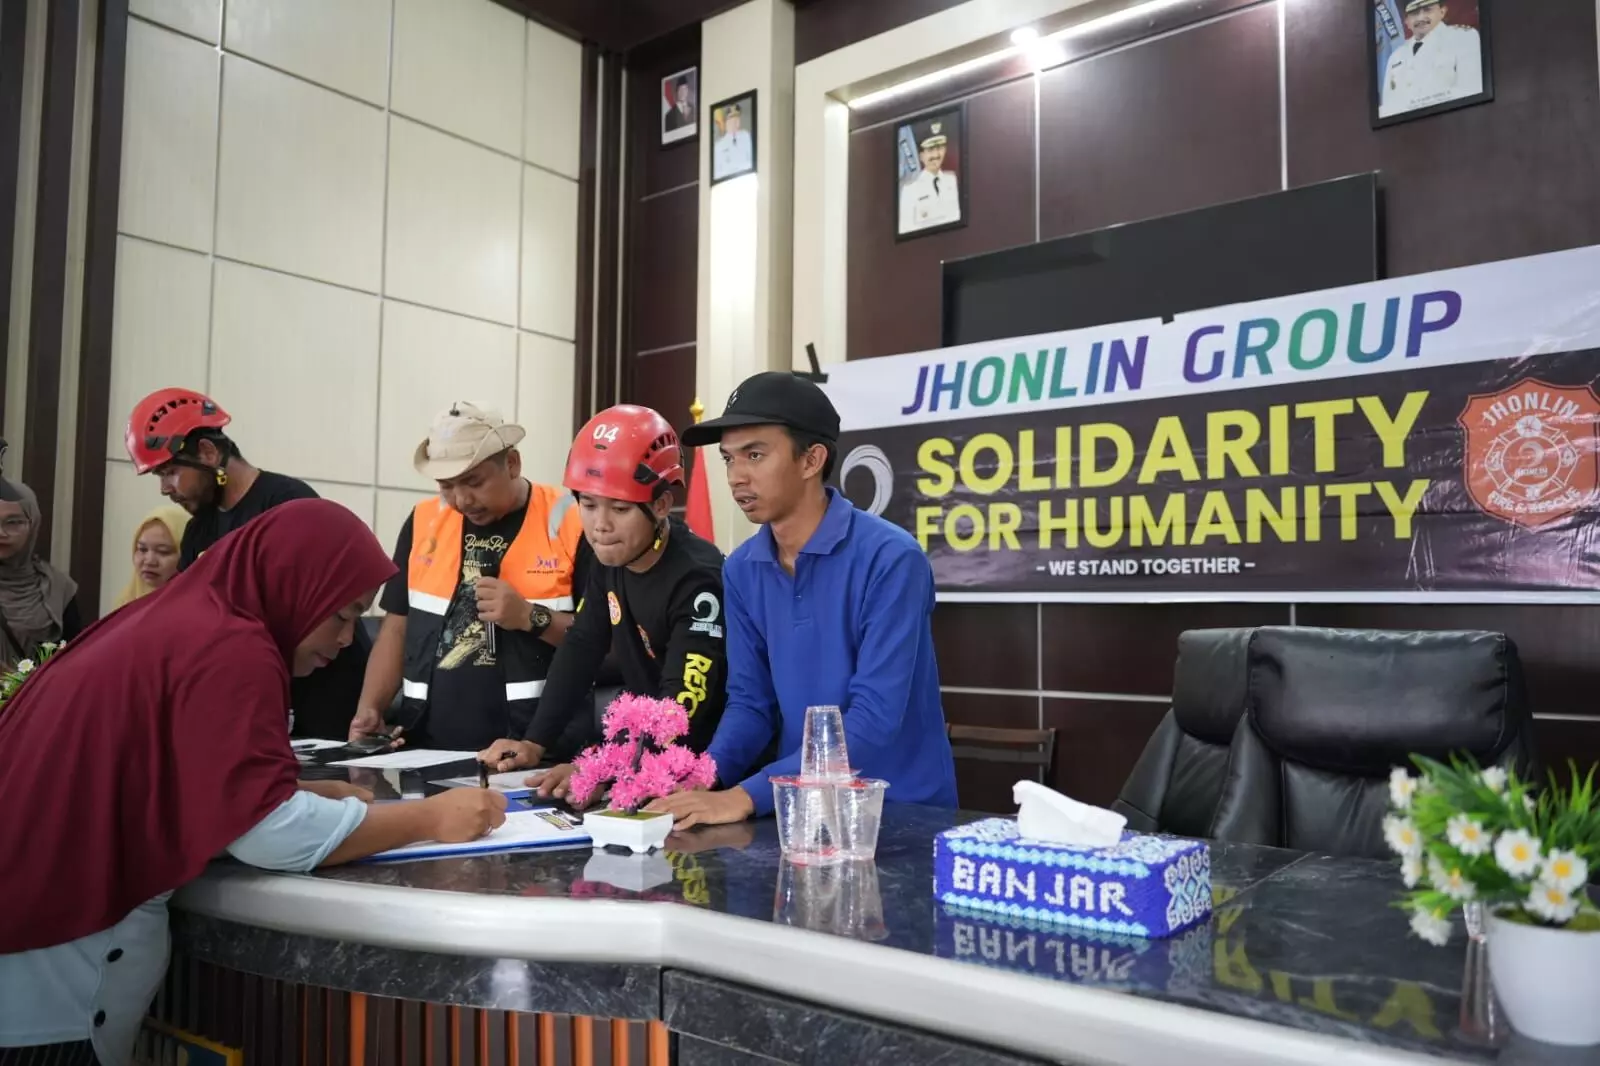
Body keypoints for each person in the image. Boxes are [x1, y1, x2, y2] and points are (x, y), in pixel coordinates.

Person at [0, 500, 507, 1066]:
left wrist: (292, 791)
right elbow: (271, 834)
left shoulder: (185, 618)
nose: (346, 640)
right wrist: (432, 817)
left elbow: (178, 782)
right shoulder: (233, 644)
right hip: (57, 981)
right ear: (296, 584)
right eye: (341, 615)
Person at [647, 373, 957, 829]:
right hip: (803, 812)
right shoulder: (742, 568)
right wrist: (700, 778)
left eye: (755, 455)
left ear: (812, 459)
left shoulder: (892, 558)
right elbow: (750, 704)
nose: (736, 476)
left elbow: (873, 719)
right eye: (729, 458)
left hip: (900, 814)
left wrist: (746, 796)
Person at [474, 405, 728, 781]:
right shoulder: (610, 558)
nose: (600, 526)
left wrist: (598, 770)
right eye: (588, 505)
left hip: (705, 766)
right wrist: (534, 743)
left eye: (620, 508)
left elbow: (680, 711)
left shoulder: (698, 580)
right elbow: (581, 648)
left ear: (660, 505)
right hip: (643, 757)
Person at [124, 386, 368, 740]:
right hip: (256, 693)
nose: (165, 488)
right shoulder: (199, 529)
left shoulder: (288, 504)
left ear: (208, 453)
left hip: (323, 690)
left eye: (171, 472)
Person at [351, 403, 588, 755]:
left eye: (474, 482)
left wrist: (530, 617)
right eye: (446, 486)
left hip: (535, 748)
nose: (461, 500)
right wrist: (371, 707)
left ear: (512, 464)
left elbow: (603, 642)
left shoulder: (574, 521)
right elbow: (397, 627)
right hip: (425, 744)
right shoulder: (424, 521)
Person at [0, 477, 81, 669]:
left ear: (33, 524)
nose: (1, 533)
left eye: (13, 522)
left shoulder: (58, 589)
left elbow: (76, 659)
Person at [1379, 1, 1483, 118]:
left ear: (1442, 12)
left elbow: (1471, 92)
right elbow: (1388, 109)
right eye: (1414, 13)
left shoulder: (1464, 38)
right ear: (1406, 21)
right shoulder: (1396, 56)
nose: (1421, 18)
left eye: (1428, 10)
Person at [112, 505, 188, 608]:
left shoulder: (194, 607)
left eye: (163, 552)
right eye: (142, 549)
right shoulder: (125, 601)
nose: (149, 561)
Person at [898, 121, 961, 234]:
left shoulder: (952, 180)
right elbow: (905, 229)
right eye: (930, 150)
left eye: (939, 148)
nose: (936, 155)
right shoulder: (909, 188)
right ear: (921, 155)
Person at [713, 104, 753, 177]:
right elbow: (717, 173)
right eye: (732, 120)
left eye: (737, 119)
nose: (736, 122)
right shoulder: (719, 146)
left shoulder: (746, 136)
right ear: (726, 122)